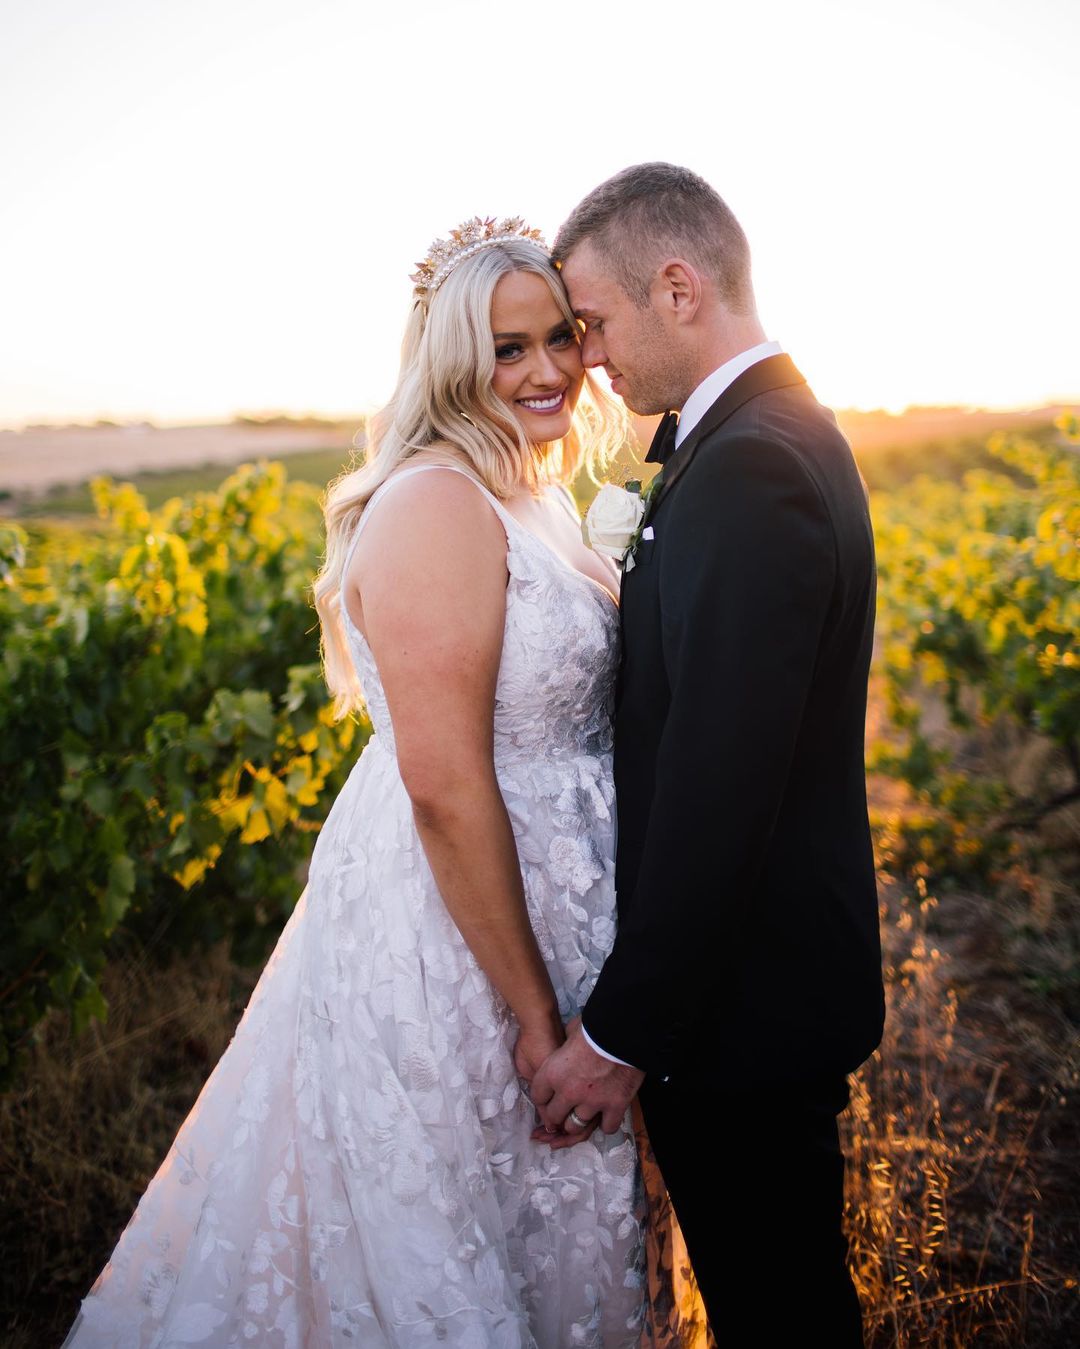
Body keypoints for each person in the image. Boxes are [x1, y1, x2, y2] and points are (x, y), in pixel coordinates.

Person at [61, 217, 687, 1348]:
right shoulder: (435, 502)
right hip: (459, 936)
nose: (546, 369)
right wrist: (541, 1019)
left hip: (556, 902)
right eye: (507, 348)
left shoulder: (531, 496)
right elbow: (445, 784)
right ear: (451, 362)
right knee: (451, 1212)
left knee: (545, 1216)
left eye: (559, 337)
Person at [530, 164, 886, 1346]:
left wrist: (626, 1031)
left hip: (745, 1011)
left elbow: (726, 786)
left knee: (782, 1309)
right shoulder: (739, 436)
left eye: (592, 323)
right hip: (742, 997)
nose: (585, 359)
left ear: (677, 288)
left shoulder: (753, 464)